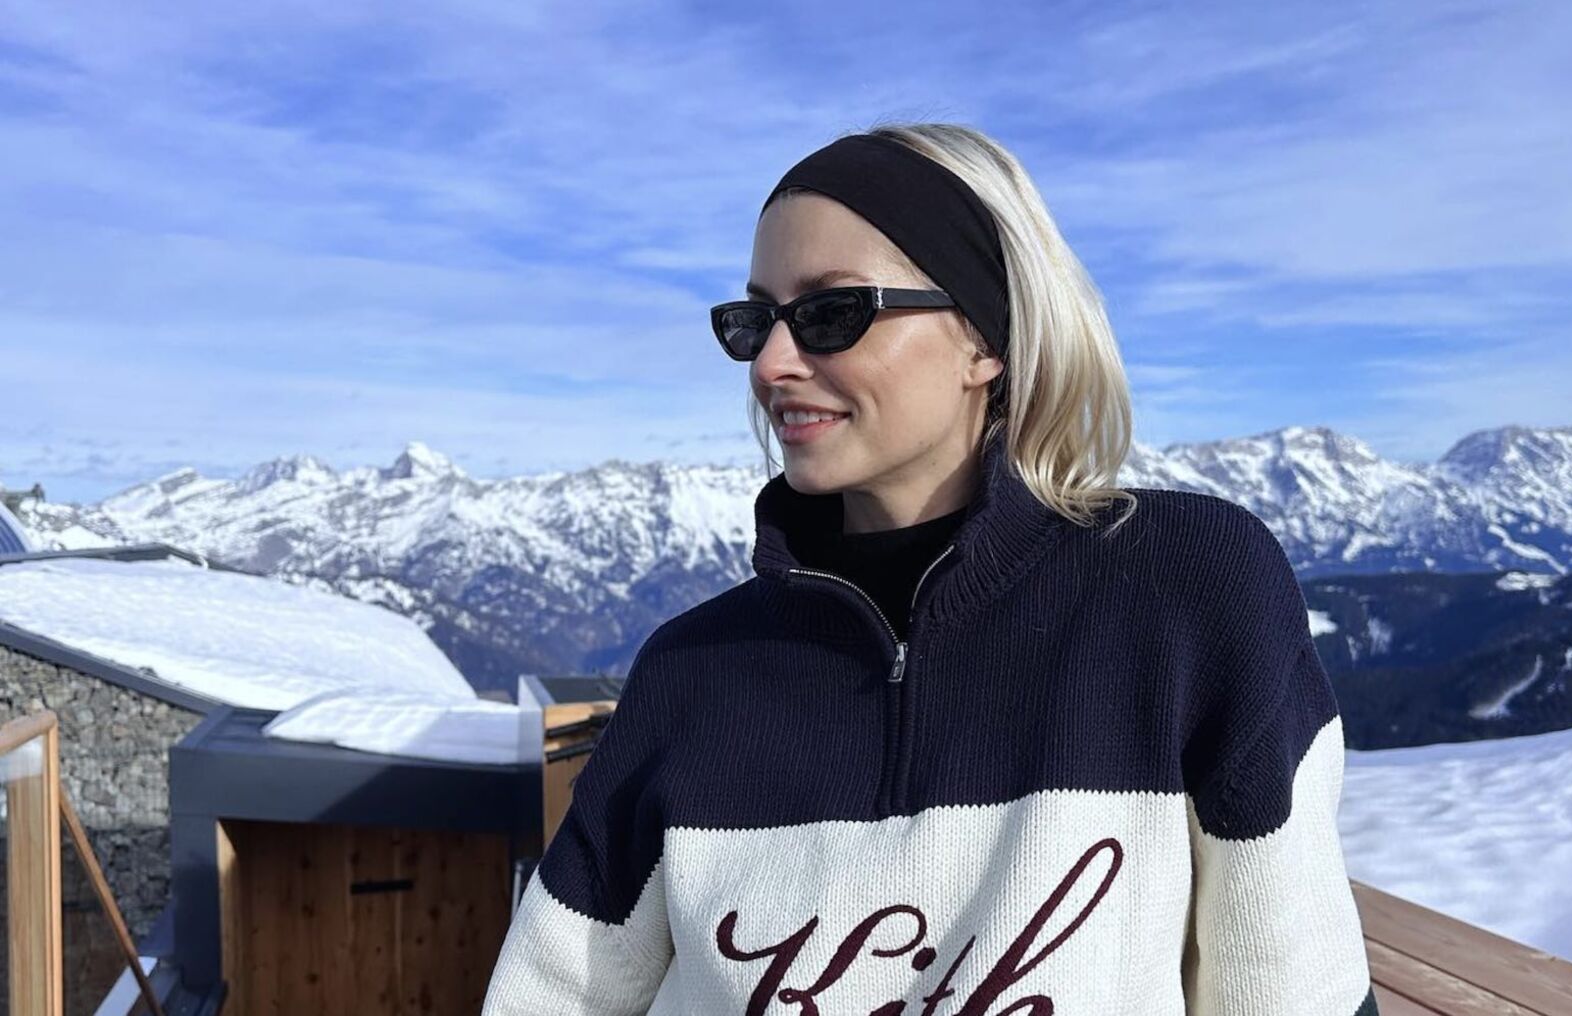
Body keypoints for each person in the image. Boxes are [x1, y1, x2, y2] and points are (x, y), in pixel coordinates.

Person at [482, 123, 1379, 1014]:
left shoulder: (1185, 590)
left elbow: (1293, 986)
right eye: (754, 321)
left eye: (832, 313)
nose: (771, 363)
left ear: (986, 339)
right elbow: (553, 995)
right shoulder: (693, 668)